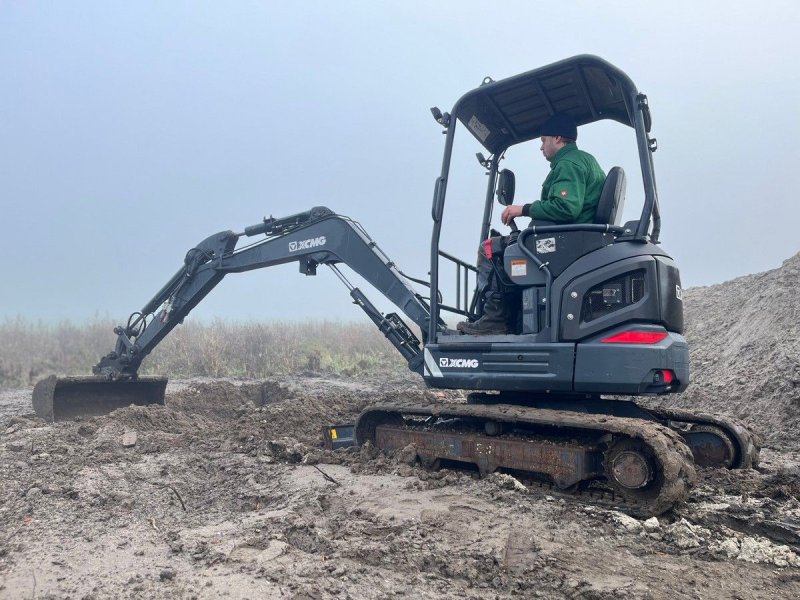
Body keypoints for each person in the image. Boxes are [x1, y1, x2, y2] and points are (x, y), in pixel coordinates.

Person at [456, 113, 606, 335]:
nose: (541, 147)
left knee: (490, 249)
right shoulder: (585, 161)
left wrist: (523, 209)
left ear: (558, 138)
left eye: (543, 141)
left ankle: (494, 321)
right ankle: (516, 319)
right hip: (573, 238)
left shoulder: (568, 164)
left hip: (563, 241)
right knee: (511, 246)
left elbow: (566, 208)